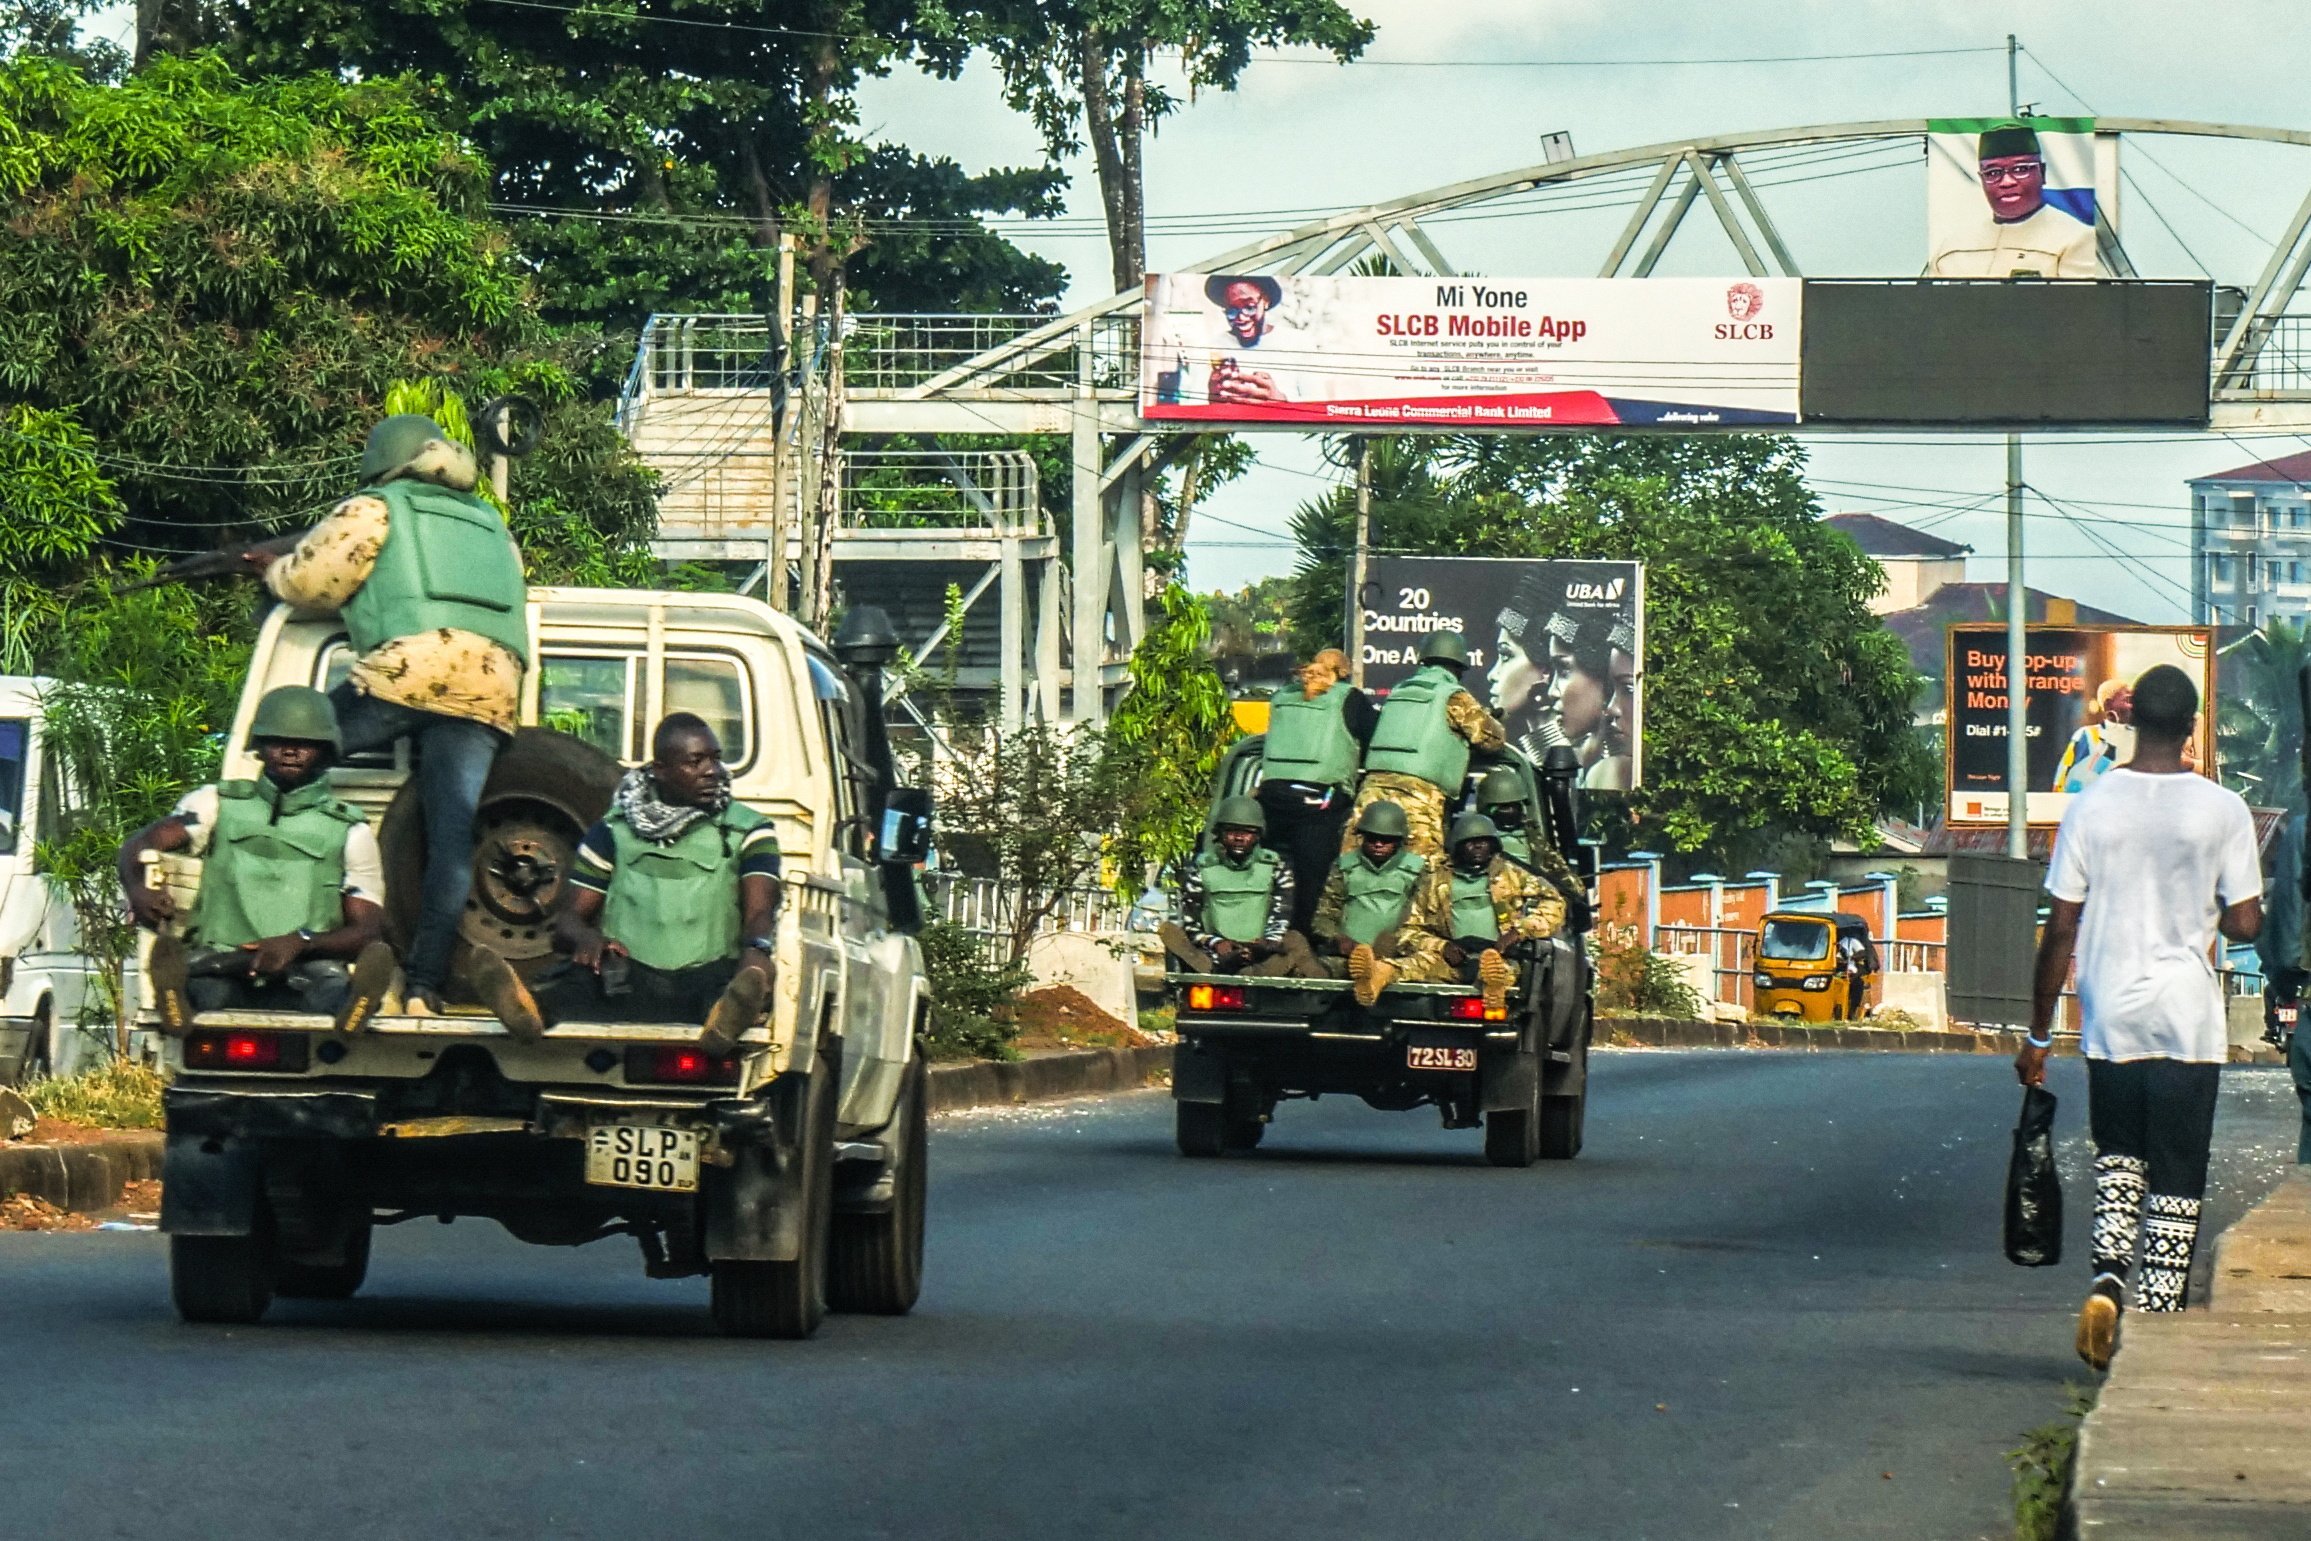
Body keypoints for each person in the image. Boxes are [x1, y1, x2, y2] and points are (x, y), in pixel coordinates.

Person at [2016, 664, 2262, 1370]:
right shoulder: (2222, 810)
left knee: (2119, 1158)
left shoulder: (2089, 806)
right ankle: (2152, 1320)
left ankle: (2104, 1279)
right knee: (2178, 1171)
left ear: (2128, 723)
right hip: (2186, 1019)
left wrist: (2037, 1035)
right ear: (2190, 727)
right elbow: (2244, 921)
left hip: (2110, 1015)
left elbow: (2058, 928)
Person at [248, 414, 529, 1015]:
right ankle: (424, 986)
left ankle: (293, 933)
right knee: (451, 842)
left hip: (410, 667)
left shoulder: (378, 506)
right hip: (492, 686)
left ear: (384, 462)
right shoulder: (492, 524)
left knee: (289, 754)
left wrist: (269, 569)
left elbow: (312, 583)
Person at [120, 686, 397, 1035]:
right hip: (223, 960)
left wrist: (299, 943)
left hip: (307, 965)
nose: (291, 750)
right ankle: (176, 999)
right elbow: (141, 842)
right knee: (208, 991)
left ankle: (355, 1006)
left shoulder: (350, 831)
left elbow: (369, 931)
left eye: (306, 742)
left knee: (328, 993)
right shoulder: (215, 804)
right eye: (279, 740)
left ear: (326, 751)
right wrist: (137, 888)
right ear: (261, 746)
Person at [537, 713, 782, 1055]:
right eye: (695, 762)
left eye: (715, 758)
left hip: (708, 978)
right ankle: (529, 1013)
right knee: (572, 983)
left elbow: (760, 912)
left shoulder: (750, 830)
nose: (712, 771)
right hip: (626, 981)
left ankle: (725, 1020)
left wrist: (757, 953)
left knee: (726, 988)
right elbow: (568, 921)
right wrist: (587, 938)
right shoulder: (612, 830)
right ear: (660, 770)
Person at [1350, 629, 1505, 859]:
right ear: (1459, 667)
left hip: (1370, 795)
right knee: (1425, 880)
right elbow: (1492, 741)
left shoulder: (1399, 692)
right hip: (1419, 799)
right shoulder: (1454, 696)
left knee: (1355, 870)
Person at [1257, 647, 1376, 932]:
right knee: (1315, 880)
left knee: (1263, 870)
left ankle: (1261, 934)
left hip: (1270, 798)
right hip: (1318, 802)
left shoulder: (1281, 698)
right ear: (1342, 673)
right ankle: (1303, 939)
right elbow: (1375, 739)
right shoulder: (1350, 699)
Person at [1404, 815, 1567, 1011]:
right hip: (1452, 958)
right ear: (1456, 845)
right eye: (1470, 842)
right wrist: (1442, 946)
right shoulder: (1433, 881)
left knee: (1498, 973)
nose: (1478, 846)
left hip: (1499, 958)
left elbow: (1555, 902)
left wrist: (1519, 931)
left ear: (1494, 845)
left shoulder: (1513, 874)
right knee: (1407, 967)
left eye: (1484, 841)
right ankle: (1372, 980)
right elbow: (1408, 931)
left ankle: (1493, 991)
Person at [1158, 796, 1321, 978]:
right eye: (1231, 831)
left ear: (1259, 835)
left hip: (1263, 952)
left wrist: (1264, 945)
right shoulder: (1201, 868)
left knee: (1295, 941)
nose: (1239, 838)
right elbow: (1190, 922)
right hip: (1215, 951)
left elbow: (1281, 916)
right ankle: (1215, 967)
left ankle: (1244, 973)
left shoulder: (1275, 867)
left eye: (1247, 832)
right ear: (1218, 834)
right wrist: (1216, 943)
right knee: (1174, 934)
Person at [1929, 120, 2099, 279]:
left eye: (2020, 169)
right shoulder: (1951, 249)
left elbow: (2079, 306)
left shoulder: (2076, 239)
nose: (2007, 182)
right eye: (1993, 173)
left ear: (2042, 173)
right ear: (1981, 179)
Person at [1313, 800, 1442, 1007]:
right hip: (1348, 956)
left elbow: (1425, 917)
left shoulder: (1418, 871)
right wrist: (1337, 939)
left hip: (1397, 955)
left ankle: (1373, 970)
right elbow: (1324, 916)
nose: (1379, 844)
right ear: (1362, 837)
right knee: (1313, 970)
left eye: (1386, 839)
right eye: (1372, 838)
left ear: (1399, 841)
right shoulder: (1344, 867)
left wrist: (1399, 943)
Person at [1474, 767, 1587, 922]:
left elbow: (1570, 883)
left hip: (1527, 921)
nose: (1509, 812)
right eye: (1501, 807)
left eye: (1514, 806)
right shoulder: (1471, 841)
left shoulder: (1534, 840)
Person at [2056, 679, 2133, 793]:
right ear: (2108, 704)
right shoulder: (2088, 735)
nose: (2132, 706)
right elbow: (2063, 778)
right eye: (2127, 700)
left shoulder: (2141, 736)